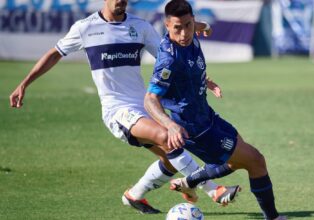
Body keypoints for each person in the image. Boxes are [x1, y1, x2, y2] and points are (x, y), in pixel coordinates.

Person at [9, 0, 240, 214]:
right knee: (168, 137)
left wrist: (202, 75)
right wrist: (24, 84)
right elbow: (54, 54)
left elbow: (171, 51)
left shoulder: (139, 27)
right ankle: (214, 190)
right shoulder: (86, 28)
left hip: (145, 106)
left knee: (172, 158)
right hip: (116, 110)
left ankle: (134, 195)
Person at [144, 0, 286, 219]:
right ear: (166, 26)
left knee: (236, 159)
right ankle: (273, 217)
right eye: (177, 28)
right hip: (193, 129)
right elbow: (150, 99)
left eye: (188, 25)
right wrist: (170, 126)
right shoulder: (168, 60)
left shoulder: (192, 31)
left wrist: (205, 79)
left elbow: (199, 30)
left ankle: (188, 182)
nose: (183, 34)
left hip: (207, 116)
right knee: (255, 160)